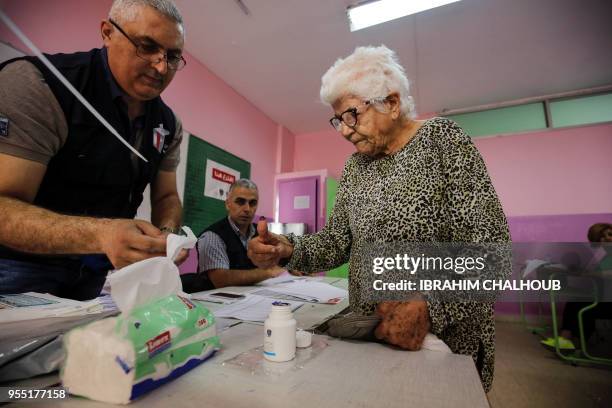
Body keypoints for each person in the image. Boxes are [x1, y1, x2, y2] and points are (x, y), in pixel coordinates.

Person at [248, 45, 510, 392]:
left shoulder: (442, 141)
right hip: (373, 328)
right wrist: (286, 247)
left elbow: (490, 245)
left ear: (392, 103)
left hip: (442, 333)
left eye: (351, 115)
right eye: (338, 120)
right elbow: (336, 242)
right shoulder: (355, 168)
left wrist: (430, 306)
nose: (343, 130)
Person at [0, 0, 188, 300]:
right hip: (17, 269)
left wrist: (166, 236)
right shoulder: (39, 85)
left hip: (97, 276)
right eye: (146, 46)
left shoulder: (168, 125)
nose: (161, 66)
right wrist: (100, 235)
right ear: (107, 32)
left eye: (173, 55)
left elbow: (166, 196)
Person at [181, 179, 283, 292]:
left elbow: (275, 258)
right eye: (240, 201)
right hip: (216, 302)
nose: (247, 209)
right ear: (228, 204)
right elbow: (220, 279)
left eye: (252, 203)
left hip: (252, 297)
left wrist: (290, 264)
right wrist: (267, 272)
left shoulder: (260, 232)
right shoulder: (212, 236)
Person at [541, 223, 612, 350]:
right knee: (574, 302)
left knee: (585, 311)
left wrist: (593, 273)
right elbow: (593, 272)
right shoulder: (604, 256)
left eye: (609, 235)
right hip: (600, 297)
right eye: (601, 237)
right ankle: (565, 340)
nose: (606, 239)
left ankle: (577, 345)